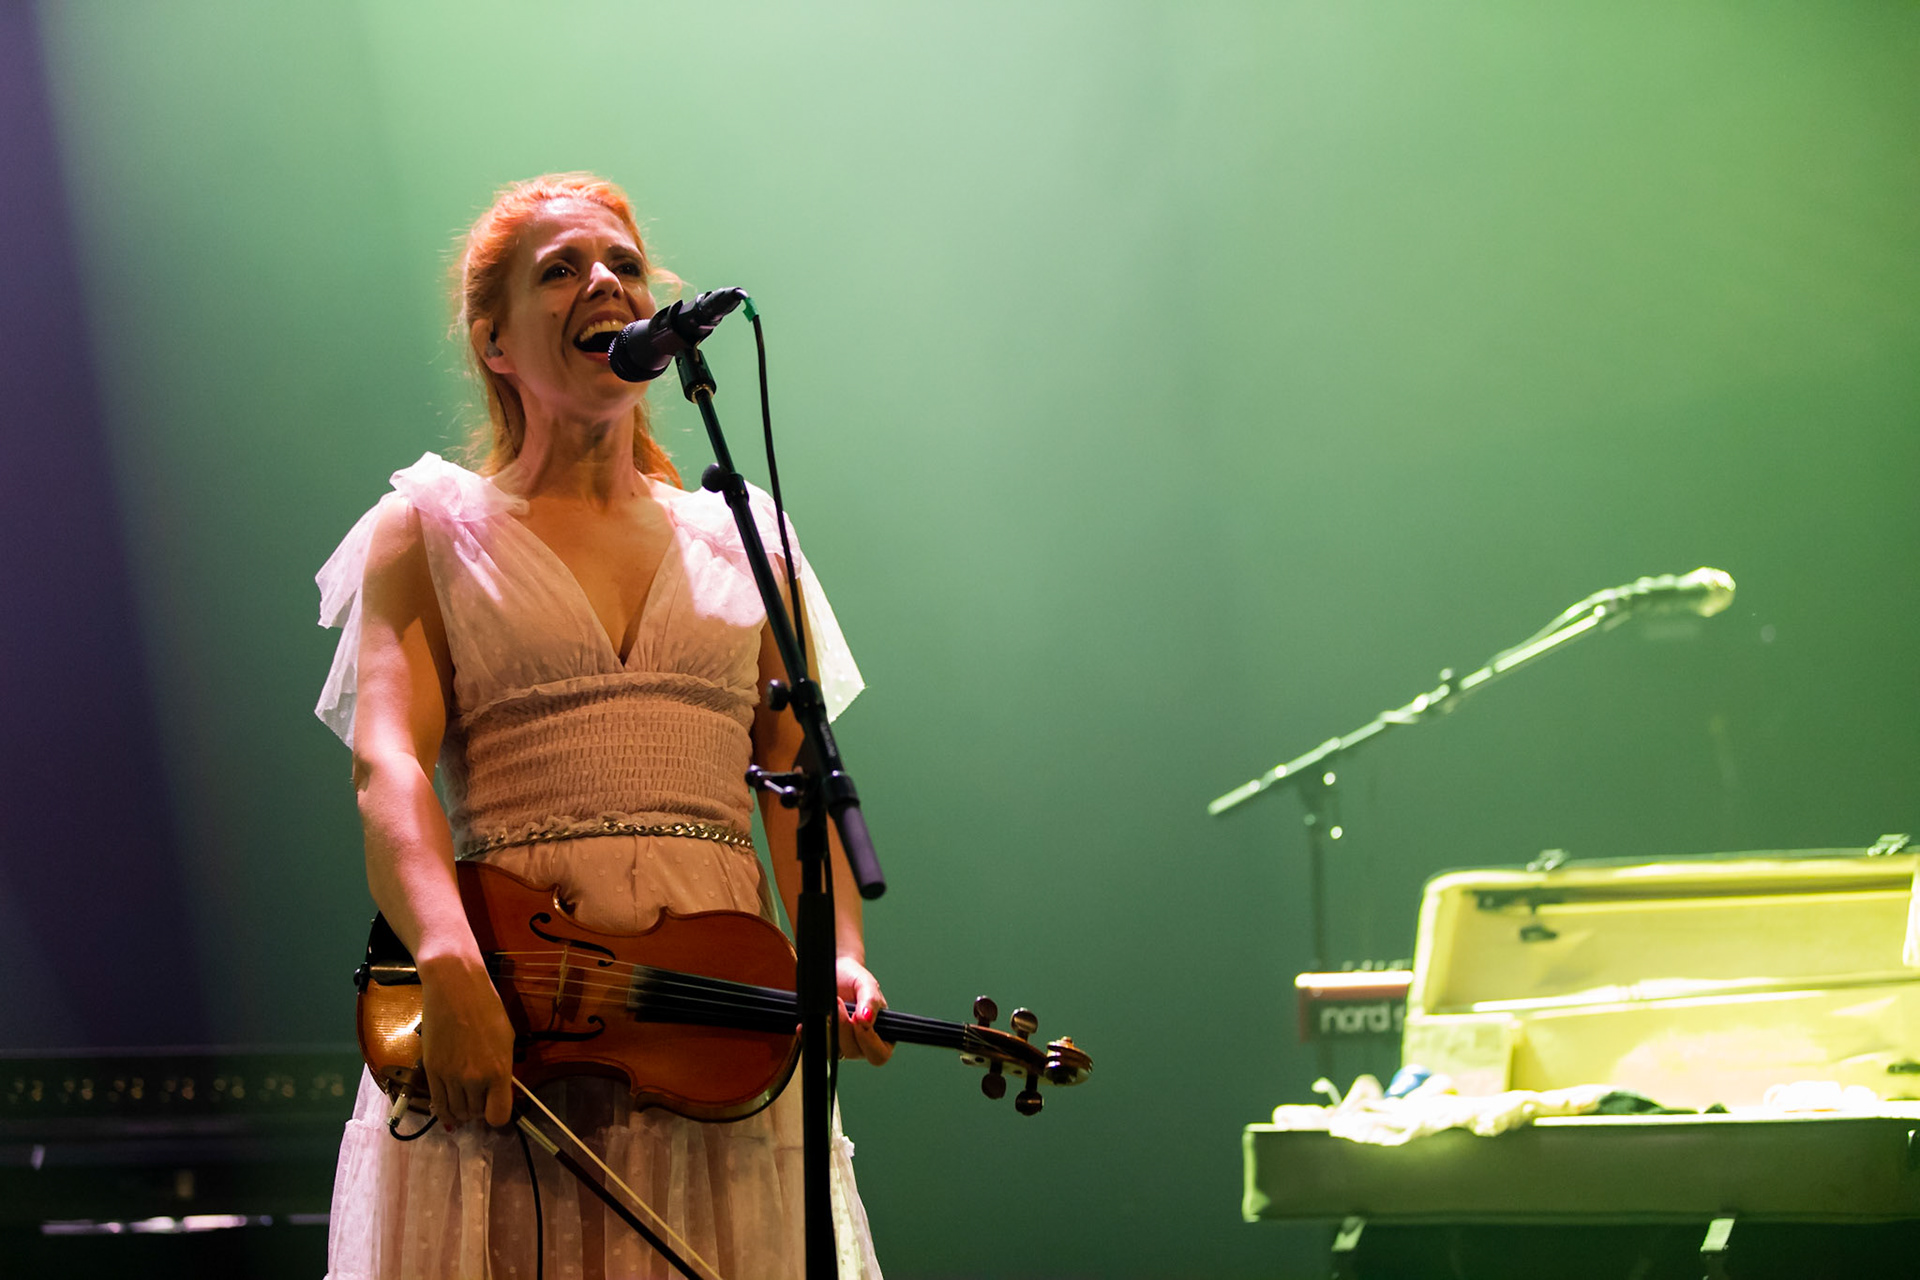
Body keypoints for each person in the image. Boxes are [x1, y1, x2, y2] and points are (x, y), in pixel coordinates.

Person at [315, 172, 889, 1280]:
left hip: (713, 1035)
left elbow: (796, 769)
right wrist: (445, 959)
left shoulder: (744, 537)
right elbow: (387, 767)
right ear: (493, 341)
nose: (606, 284)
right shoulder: (428, 529)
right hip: (519, 1011)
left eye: (624, 264)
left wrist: (841, 955)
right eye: (562, 270)